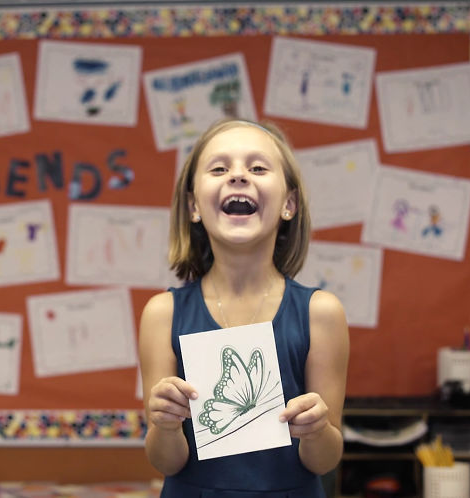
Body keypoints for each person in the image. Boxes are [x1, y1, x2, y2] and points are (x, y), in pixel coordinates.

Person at [138, 117, 349, 497]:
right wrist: (165, 425)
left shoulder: (322, 313)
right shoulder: (162, 314)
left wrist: (318, 431)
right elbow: (164, 461)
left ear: (289, 204)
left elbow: (325, 460)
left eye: (257, 167)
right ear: (193, 206)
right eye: (219, 168)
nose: (238, 176)